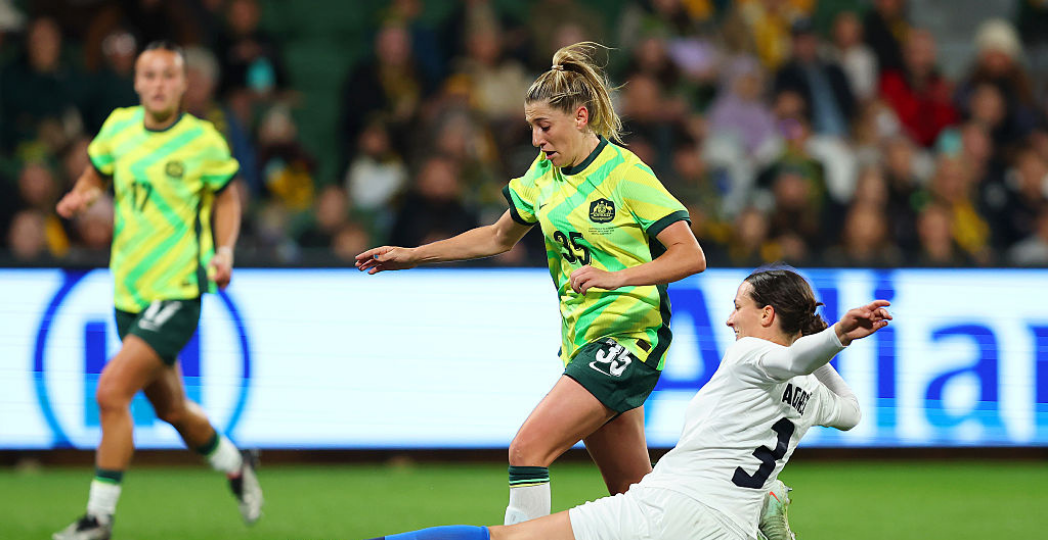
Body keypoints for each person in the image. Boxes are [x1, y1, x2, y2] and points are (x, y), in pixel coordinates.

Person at [356, 42, 707, 526]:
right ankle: (754, 514)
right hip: (582, 342)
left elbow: (690, 254)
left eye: (545, 126)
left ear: (580, 117)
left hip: (630, 337)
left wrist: (616, 276)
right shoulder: (543, 174)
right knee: (640, 504)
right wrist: (415, 255)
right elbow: (499, 236)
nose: (538, 139)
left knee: (528, 448)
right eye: (531, 128)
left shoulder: (625, 173)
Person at [364, 267, 891, 540]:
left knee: (507, 538)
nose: (730, 319)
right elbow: (852, 410)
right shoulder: (816, 396)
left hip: (670, 510)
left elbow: (785, 362)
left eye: (738, 307)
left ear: (768, 315)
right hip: (729, 527)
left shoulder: (752, 354)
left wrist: (836, 335)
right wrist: (821, 344)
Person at [52, 41, 262, 540]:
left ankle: (98, 519)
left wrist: (226, 250)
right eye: (150, 75)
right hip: (128, 292)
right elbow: (95, 173)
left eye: (169, 75)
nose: (159, 84)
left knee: (110, 391)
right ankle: (236, 463)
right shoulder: (119, 129)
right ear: (136, 82)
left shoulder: (202, 140)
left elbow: (227, 197)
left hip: (179, 289)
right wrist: (83, 195)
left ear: (184, 83)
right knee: (171, 410)